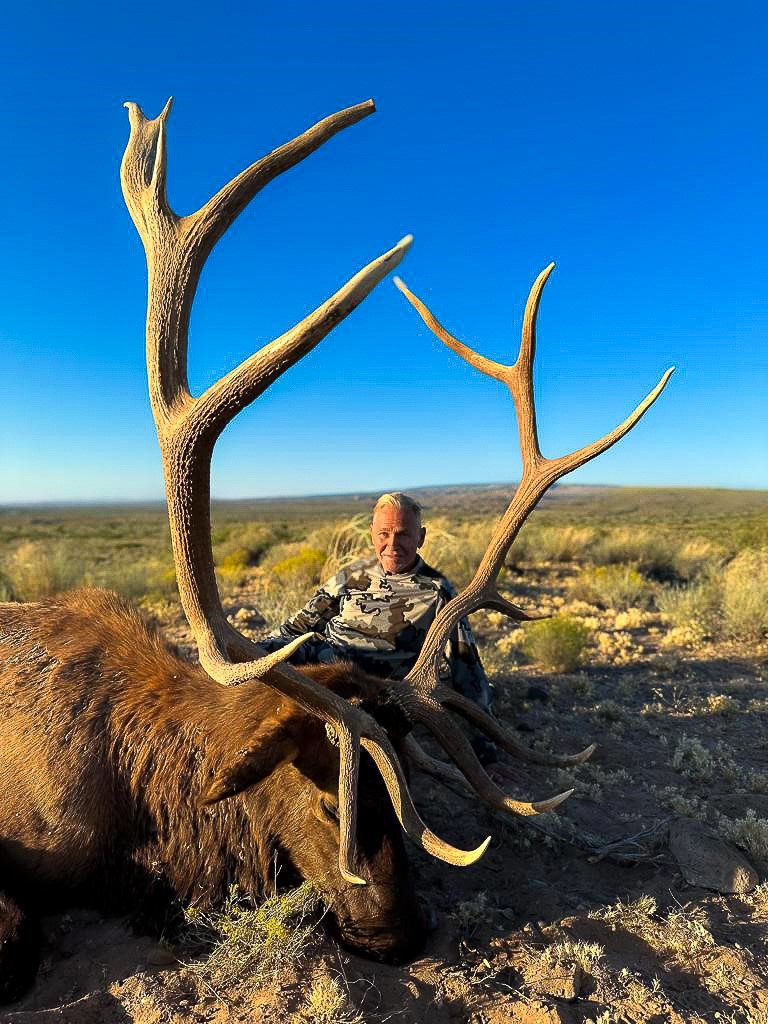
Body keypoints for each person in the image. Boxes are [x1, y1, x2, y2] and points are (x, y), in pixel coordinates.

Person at [258, 492, 504, 770]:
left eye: (404, 535)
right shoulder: (354, 573)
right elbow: (300, 624)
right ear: (372, 535)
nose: (392, 545)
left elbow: (466, 667)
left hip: (372, 686)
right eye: (384, 534)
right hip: (321, 661)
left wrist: (486, 743)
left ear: (421, 538)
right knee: (253, 657)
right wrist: (267, 649)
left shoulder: (439, 591)